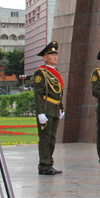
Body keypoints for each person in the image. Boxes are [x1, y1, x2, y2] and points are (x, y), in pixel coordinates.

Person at [34, 40, 65, 175]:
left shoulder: (55, 72)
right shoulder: (41, 73)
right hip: (46, 108)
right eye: (51, 55)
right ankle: (44, 165)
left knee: (52, 138)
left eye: (56, 54)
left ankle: (49, 163)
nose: (55, 57)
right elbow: (38, 94)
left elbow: (59, 93)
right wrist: (40, 112)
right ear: (45, 57)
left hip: (54, 109)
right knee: (45, 139)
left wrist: (61, 108)